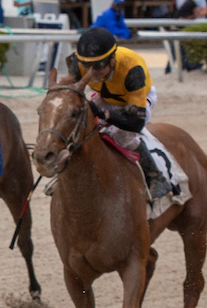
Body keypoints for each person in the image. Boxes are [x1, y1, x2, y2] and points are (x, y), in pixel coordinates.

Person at [68, 26, 169, 197]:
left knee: (120, 134)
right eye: (87, 65)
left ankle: (156, 176)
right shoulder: (76, 64)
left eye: (98, 65)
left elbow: (135, 124)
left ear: (112, 59)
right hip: (105, 95)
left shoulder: (132, 69)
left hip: (134, 101)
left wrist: (103, 113)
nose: (92, 73)